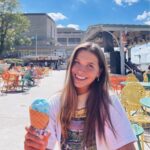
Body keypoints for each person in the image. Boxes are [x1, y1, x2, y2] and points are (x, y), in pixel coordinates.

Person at [24, 42, 137, 150]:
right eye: (77, 62)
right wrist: (35, 146)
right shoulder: (55, 103)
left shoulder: (109, 102)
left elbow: (127, 146)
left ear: (99, 72)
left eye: (90, 66)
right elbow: (47, 145)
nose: (81, 71)